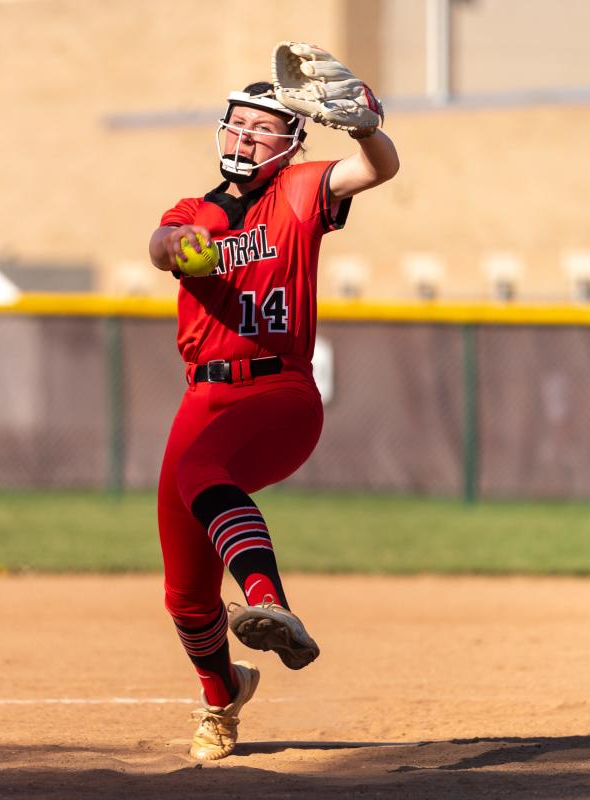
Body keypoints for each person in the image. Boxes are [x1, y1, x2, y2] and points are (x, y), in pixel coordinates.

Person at [147, 76, 399, 761]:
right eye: (238, 123)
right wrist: (178, 248)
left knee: (201, 468)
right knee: (185, 594)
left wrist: (363, 127)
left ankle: (269, 600)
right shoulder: (198, 208)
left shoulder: (299, 191)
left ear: (291, 142)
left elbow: (378, 169)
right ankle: (222, 696)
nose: (245, 135)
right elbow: (162, 241)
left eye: (263, 127)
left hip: (279, 394)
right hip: (202, 398)